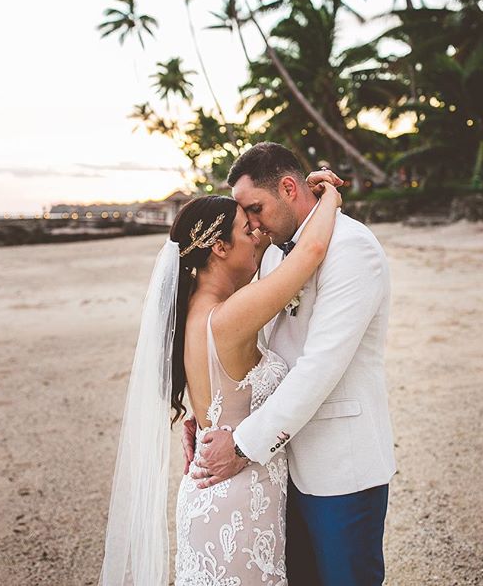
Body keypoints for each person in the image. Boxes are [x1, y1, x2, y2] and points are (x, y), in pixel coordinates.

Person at [97, 175, 341, 586]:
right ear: (220, 247)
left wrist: (204, 422)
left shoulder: (191, 313)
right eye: (248, 231)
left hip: (209, 494)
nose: (260, 238)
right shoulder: (228, 316)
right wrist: (330, 195)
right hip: (238, 502)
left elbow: (214, 394)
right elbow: (311, 250)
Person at [184, 142, 396, 586]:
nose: (254, 225)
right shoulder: (279, 254)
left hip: (339, 467)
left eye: (255, 209)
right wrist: (207, 409)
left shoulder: (352, 248)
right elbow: (253, 347)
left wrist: (241, 443)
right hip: (280, 466)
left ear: (287, 187)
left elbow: (319, 368)